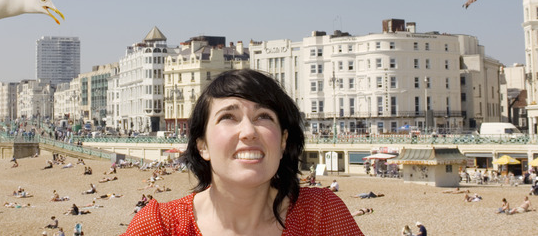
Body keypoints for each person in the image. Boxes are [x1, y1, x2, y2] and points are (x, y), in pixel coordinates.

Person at [123, 69, 364, 235]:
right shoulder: (161, 227)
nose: (248, 131)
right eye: (228, 117)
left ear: (282, 142)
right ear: (202, 146)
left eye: (264, 117)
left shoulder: (319, 216)